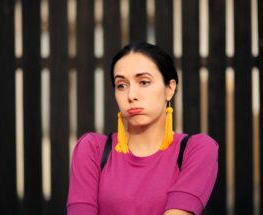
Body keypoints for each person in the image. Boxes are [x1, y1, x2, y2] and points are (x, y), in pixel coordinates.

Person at [66, 42, 218, 215]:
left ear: (170, 88)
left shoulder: (197, 149)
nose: (131, 96)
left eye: (144, 82)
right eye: (121, 85)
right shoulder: (92, 149)